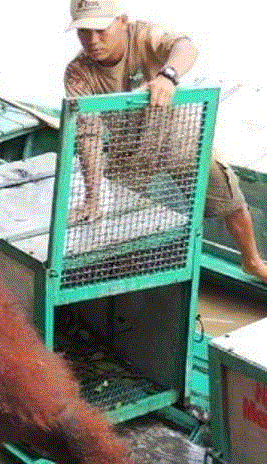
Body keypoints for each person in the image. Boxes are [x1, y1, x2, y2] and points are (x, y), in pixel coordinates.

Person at [64, 0, 267, 284]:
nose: (93, 41)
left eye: (101, 30)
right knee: (117, 221)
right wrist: (92, 197)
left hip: (176, 133)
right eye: (84, 31)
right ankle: (125, 277)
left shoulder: (144, 35)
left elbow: (186, 47)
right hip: (128, 151)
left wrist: (167, 76)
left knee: (227, 196)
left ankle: (252, 261)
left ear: (122, 21)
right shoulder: (78, 73)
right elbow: (89, 135)